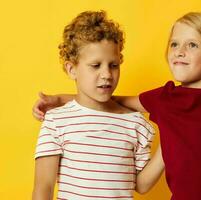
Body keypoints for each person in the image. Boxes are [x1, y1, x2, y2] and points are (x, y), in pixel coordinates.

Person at [32, 12, 201, 200]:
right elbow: (109, 100)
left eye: (192, 44)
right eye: (174, 44)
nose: (179, 51)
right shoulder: (164, 99)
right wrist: (60, 99)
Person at [32, 11, 164, 200]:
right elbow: (43, 188)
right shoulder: (56, 121)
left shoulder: (136, 123)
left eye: (114, 65)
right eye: (95, 65)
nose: (107, 74)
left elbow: (141, 185)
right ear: (72, 69)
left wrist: (171, 140)